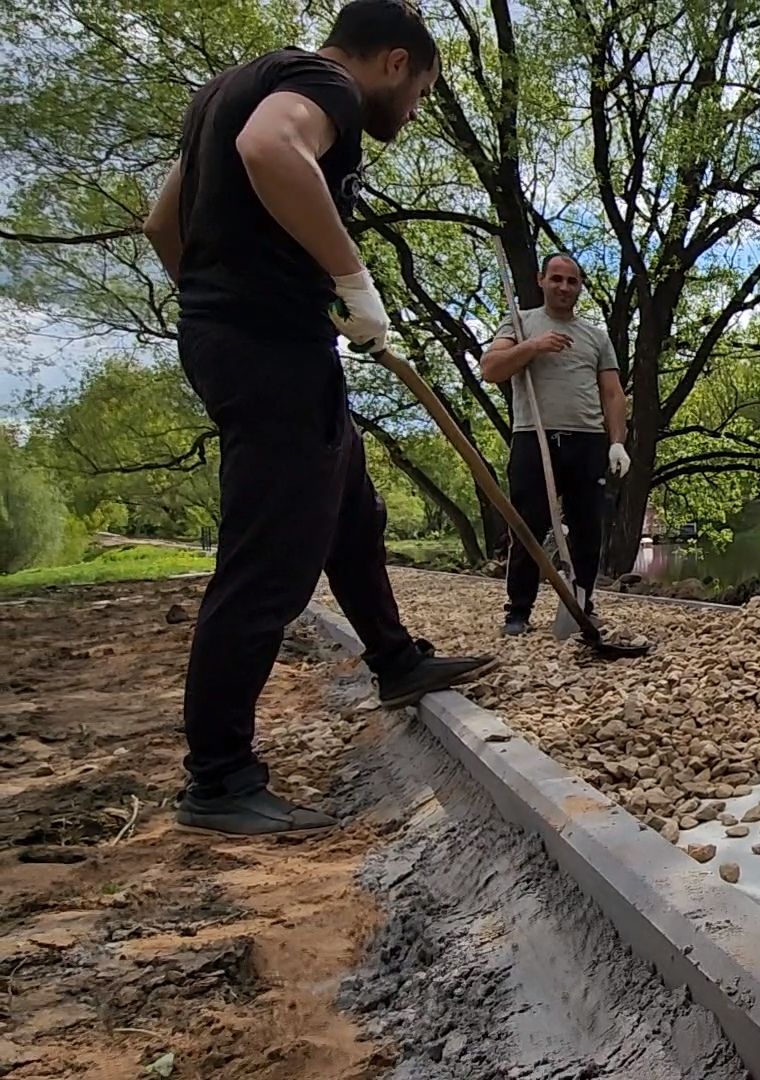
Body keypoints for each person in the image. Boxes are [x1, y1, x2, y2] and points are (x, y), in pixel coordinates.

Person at [142, 0, 497, 837]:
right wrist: (348, 276)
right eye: (418, 98)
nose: (408, 118)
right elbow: (271, 149)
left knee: (350, 512)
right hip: (266, 353)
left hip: (255, 340)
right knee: (270, 559)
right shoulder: (323, 85)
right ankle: (219, 779)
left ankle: (396, 661)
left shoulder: (223, 91)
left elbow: (164, 224)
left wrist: (220, 296)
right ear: (397, 62)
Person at [479, 253, 630, 636]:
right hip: (534, 437)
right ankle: (518, 611)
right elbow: (491, 368)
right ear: (541, 280)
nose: (564, 287)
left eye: (572, 281)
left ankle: (582, 605)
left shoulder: (595, 336)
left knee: (587, 530)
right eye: (557, 279)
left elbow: (613, 394)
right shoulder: (520, 323)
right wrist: (534, 347)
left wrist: (617, 443)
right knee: (527, 527)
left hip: (586, 442)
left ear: (579, 286)